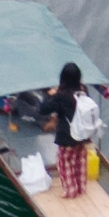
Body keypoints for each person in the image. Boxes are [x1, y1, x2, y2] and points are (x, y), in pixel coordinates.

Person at [46, 60, 90, 200]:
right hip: (83, 134)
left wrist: (51, 94)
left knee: (64, 162)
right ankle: (81, 187)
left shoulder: (61, 95)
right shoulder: (83, 91)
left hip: (67, 136)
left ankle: (70, 191)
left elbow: (44, 109)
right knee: (79, 159)